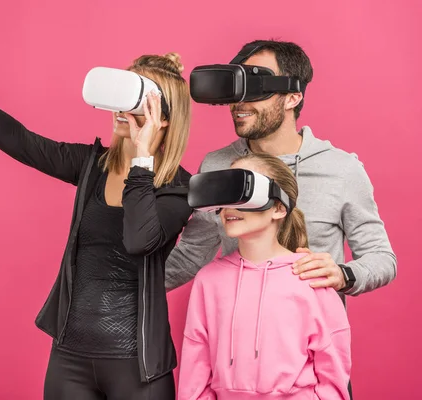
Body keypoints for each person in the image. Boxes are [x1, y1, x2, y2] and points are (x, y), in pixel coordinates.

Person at [0, 46, 193, 400]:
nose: (123, 110)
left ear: (165, 118)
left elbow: (139, 240)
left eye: (138, 103)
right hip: (70, 360)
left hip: (138, 366)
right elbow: (23, 142)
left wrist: (142, 162)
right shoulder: (91, 165)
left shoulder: (179, 189)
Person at [166, 39, 396, 297]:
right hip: (237, 323)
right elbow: (192, 253)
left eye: (254, 89)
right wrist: (119, 288)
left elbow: (381, 257)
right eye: (236, 89)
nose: (239, 104)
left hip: (312, 327)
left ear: (292, 98)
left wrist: (343, 274)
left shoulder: (341, 169)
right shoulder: (217, 165)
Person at [177, 153, 351, 400]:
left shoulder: (311, 276)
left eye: (243, 193)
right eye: (226, 195)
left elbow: (332, 376)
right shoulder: (208, 280)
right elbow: (195, 368)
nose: (229, 207)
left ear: (279, 208)